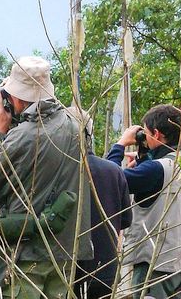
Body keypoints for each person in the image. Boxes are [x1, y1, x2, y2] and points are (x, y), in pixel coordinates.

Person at [0, 56, 92, 299]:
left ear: (16, 96)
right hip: (66, 247)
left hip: (27, 249)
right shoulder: (75, 126)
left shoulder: (24, 135)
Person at [105, 105, 181, 299]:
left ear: (156, 134)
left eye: (146, 133)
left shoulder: (155, 170)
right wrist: (143, 160)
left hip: (155, 263)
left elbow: (109, 178)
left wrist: (120, 144)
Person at [66, 107, 132, 299]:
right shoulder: (113, 171)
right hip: (106, 266)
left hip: (70, 267)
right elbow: (126, 219)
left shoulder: (63, 172)